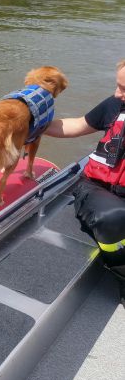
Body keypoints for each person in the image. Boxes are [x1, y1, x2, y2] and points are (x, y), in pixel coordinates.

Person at [45, 59, 125, 304]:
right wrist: (34, 123)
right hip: (96, 188)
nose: (116, 93)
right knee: (112, 217)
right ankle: (120, 271)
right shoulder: (114, 105)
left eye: (124, 89)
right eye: (118, 85)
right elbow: (76, 125)